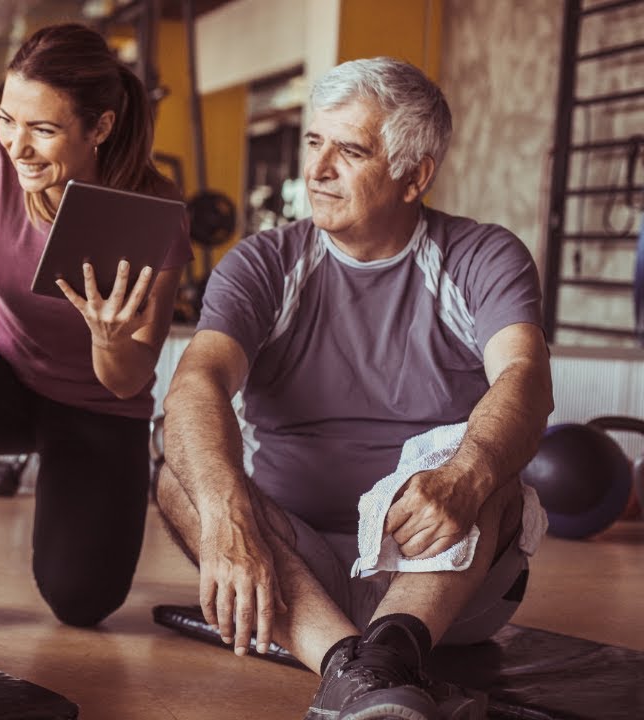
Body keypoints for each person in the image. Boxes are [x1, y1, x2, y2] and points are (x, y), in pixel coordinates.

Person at [155, 57, 551, 719]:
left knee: (485, 464)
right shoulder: (264, 263)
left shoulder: (480, 256)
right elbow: (196, 384)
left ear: (414, 174)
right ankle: (358, 669)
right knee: (180, 476)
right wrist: (226, 519)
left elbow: (524, 378)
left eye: (350, 150)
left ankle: (391, 647)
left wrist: (470, 474)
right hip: (294, 572)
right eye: (314, 142)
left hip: (440, 572)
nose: (317, 169)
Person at [0, 23, 193, 629]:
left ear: (98, 128)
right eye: (7, 120)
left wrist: (107, 338)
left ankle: (73, 500)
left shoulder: (153, 210)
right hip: (5, 385)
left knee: (82, 603)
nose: (16, 146)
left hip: (99, 410)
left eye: (43, 130)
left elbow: (128, 380)